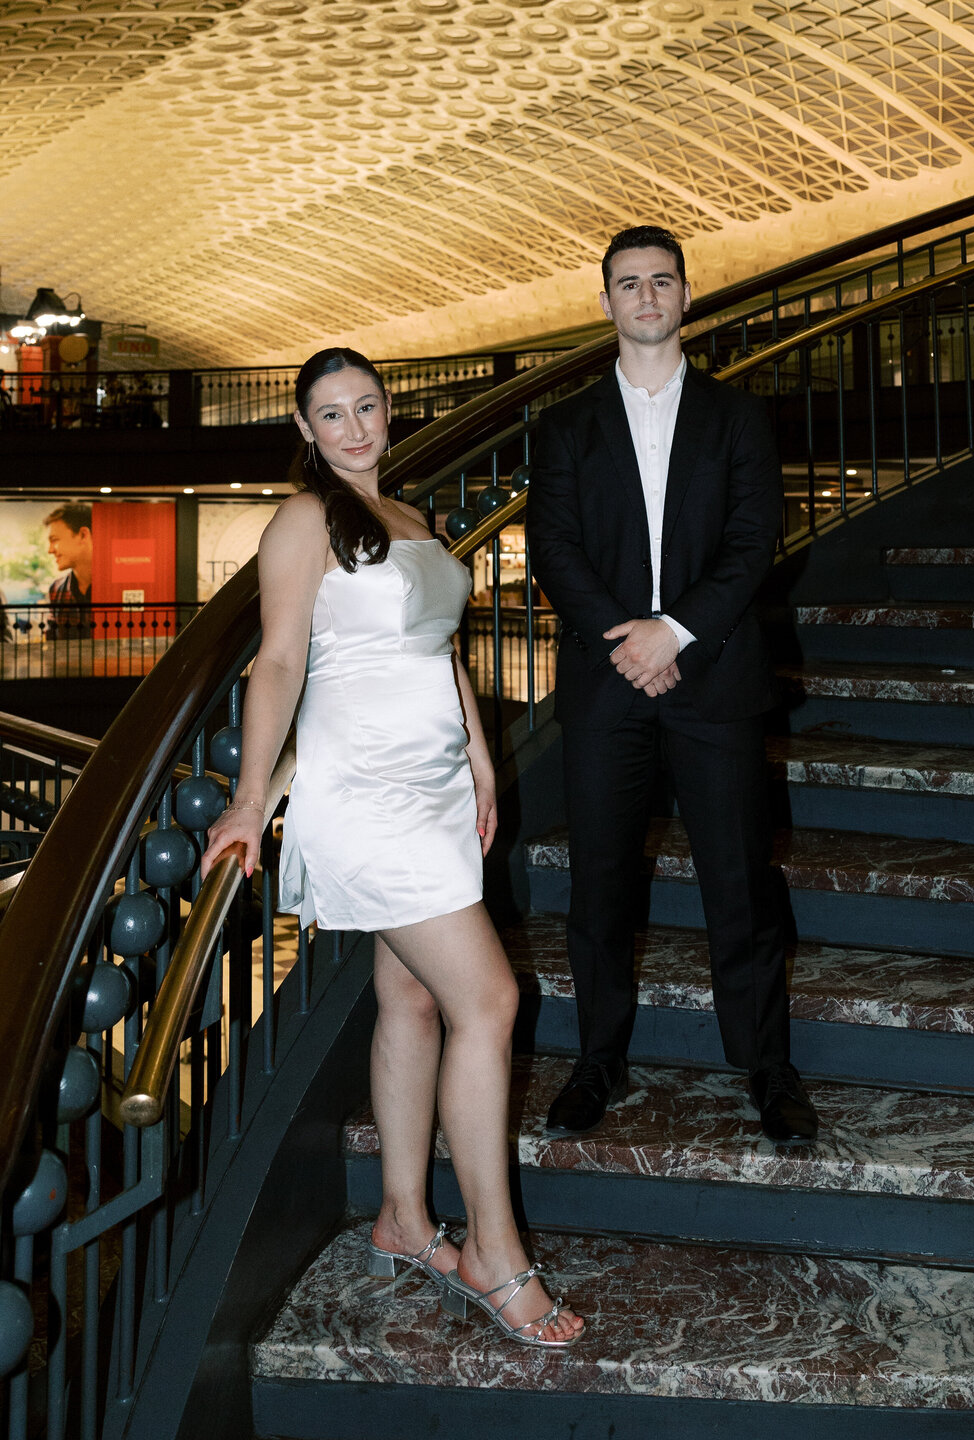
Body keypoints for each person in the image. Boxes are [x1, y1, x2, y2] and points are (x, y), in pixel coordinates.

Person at [202, 347, 582, 1350]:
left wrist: (484, 758)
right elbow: (279, 659)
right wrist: (250, 799)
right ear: (306, 428)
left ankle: (406, 1217)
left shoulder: (413, 517)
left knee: (413, 996)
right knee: (490, 1000)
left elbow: (440, 649)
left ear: (386, 410)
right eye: (332, 414)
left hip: (437, 787)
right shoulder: (302, 521)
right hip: (365, 795)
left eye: (367, 406)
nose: (356, 427)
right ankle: (497, 1251)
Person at [526, 227, 818, 1149]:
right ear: (605, 302)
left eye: (661, 281)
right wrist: (629, 641)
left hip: (714, 678)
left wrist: (675, 632)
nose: (646, 295)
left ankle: (767, 1068)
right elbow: (553, 548)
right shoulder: (567, 426)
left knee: (740, 884)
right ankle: (598, 1060)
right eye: (628, 284)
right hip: (608, 684)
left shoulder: (738, 419)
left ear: (687, 297)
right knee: (600, 888)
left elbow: (751, 541)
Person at [43, 502, 93, 637]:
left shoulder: (114, 588)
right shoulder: (56, 589)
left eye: (55, 540)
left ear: (83, 535)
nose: (50, 550)